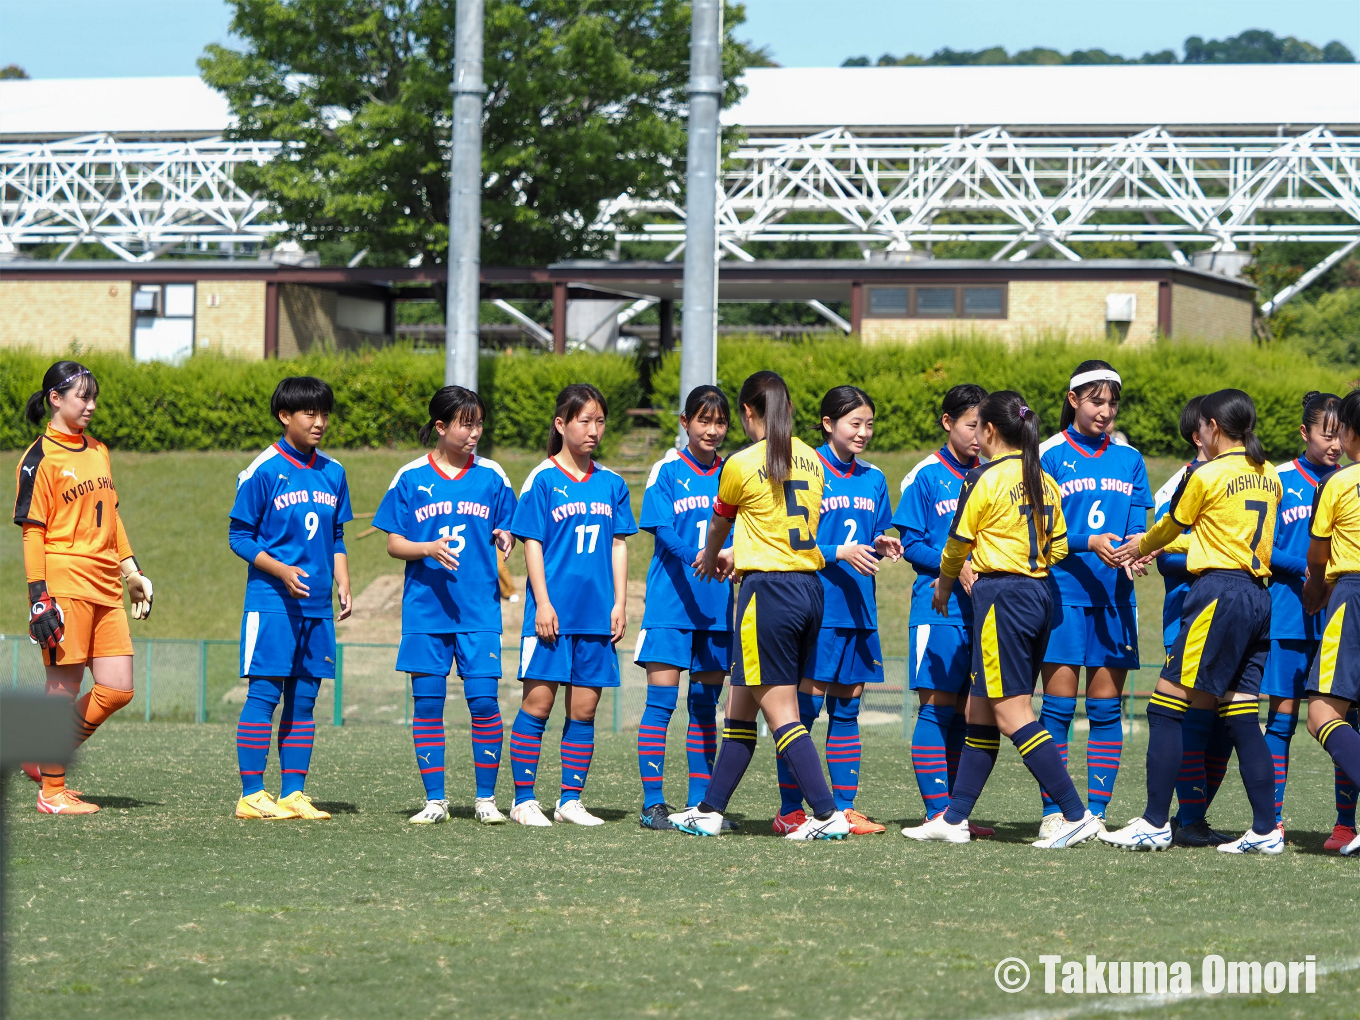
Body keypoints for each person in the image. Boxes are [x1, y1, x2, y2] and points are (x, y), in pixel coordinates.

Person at [901, 391, 1099, 848]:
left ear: (989, 431)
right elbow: (1062, 547)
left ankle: (1074, 812)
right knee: (980, 711)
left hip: (1002, 597)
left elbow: (956, 545)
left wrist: (946, 585)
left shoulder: (982, 478)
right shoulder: (1043, 478)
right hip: (1039, 594)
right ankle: (953, 819)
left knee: (1012, 712)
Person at [667, 371, 852, 840]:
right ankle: (709, 811)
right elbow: (782, 526)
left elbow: (718, 526)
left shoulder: (743, 463)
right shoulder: (813, 459)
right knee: (740, 711)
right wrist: (741, 553)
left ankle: (828, 815)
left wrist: (714, 556)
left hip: (767, 593)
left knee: (783, 713)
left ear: (749, 413)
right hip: (809, 589)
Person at [1104, 389, 1284, 854]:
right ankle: (1267, 830)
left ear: (1214, 428)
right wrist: (1163, 545)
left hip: (1217, 594)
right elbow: (1222, 535)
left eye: (1201, 425)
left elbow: (1173, 527)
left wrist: (1140, 545)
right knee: (1243, 716)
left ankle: (1154, 822)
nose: (1197, 432)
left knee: (1166, 706)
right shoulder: (1269, 476)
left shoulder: (1206, 475)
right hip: (1258, 598)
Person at [14, 360, 154, 815]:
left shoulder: (99, 450)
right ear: (55, 399)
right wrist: (39, 597)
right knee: (64, 686)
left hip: (105, 583)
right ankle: (52, 794)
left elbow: (111, 515)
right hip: (64, 582)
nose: (91, 405)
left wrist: (131, 572)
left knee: (118, 688)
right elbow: (33, 531)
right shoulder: (39, 458)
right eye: (82, 397)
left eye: (94, 398)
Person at [372, 385, 517, 825]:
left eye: (478, 423)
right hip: (425, 611)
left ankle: (486, 800)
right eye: (465, 423)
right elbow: (394, 544)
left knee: (484, 703)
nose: (474, 432)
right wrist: (427, 548)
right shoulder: (410, 477)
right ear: (441, 426)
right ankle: (435, 800)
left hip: (478, 611)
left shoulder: (494, 476)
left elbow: (508, 523)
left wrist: (506, 535)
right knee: (428, 704)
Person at [771, 386, 901, 835]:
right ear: (828, 424)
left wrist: (884, 542)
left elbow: (876, 531)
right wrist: (840, 552)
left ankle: (844, 811)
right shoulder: (804, 469)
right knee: (802, 713)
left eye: (868, 424)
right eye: (854, 423)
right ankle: (791, 811)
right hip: (816, 610)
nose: (863, 432)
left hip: (858, 610)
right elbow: (791, 543)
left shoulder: (874, 478)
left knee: (846, 711)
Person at [508, 384, 636, 827]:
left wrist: (620, 602)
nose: (593, 430)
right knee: (538, 705)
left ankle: (569, 801)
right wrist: (542, 603)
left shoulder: (613, 483)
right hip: (552, 617)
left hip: (597, 616)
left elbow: (619, 545)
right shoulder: (542, 479)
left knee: (584, 710)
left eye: (600, 421)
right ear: (561, 424)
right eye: (584, 420)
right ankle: (524, 799)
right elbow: (533, 545)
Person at [1035, 362, 1153, 836]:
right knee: (1058, 709)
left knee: (1106, 710)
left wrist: (1137, 551)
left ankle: (1097, 815)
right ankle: (1057, 814)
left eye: (1112, 402)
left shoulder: (1131, 459)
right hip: (1061, 596)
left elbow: (1138, 527)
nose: (1105, 411)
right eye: (1095, 401)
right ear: (1073, 400)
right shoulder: (1047, 455)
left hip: (1115, 599)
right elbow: (1039, 533)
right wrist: (1089, 542)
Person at [229, 376, 352, 821]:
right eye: (309, 414)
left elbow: (336, 535)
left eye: (324, 414)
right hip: (271, 602)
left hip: (317, 606)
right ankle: (251, 793)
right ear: (285, 416)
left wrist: (343, 580)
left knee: (305, 700)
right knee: (265, 694)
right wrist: (280, 570)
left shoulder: (333, 472)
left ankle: (293, 793)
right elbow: (238, 536)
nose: (319, 422)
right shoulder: (262, 470)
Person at [634, 385, 734, 830]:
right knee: (661, 702)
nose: (712, 430)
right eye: (703, 421)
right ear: (685, 423)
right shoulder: (667, 469)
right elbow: (660, 529)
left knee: (704, 704)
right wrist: (702, 556)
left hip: (717, 609)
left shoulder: (734, 471)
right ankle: (653, 803)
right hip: (670, 604)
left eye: (720, 422)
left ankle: (701, 806)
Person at [895, 385, 994, 836]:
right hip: (937, 608)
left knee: (967, 712)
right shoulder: (925, 476)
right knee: (936, 709)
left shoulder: (993, 474)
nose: (978, 436)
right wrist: (953, 565)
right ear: (947, 422)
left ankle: (955, 815)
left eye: (984, 427)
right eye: (971, 425)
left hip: (985, 609)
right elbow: (910, 543)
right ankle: (938, 811)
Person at [1263, 392, 1353, 847]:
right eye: (1326, 434)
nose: (1334, 444)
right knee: (1282, 719)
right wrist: (1308, 570)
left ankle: (1344, 826)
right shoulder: (1278, 479)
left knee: (1345, 723)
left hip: (1341, 619)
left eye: (1341, 435)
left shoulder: (1349, 480)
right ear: (1305, 433)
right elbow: (1262, 545)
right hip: (1289, 616)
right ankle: (1272, 823)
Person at [1152, 397, 1234, 847]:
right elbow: (1161, 558)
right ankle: (1183, 819)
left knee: (1227, 726)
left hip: (1232, 614)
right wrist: (1208, 559)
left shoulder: (1241, 479)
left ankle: (1192, 815)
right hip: (1189, 615)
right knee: (1189, 720)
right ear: (1199, 433)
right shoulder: (1181, 482)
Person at [1301, 389, 1360, 857]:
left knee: (1323, 713)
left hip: (1351, 597)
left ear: (1350, 433)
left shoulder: (1338, 485)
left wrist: (1314, 597)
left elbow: (1317, 561)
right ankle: (1347, 827)